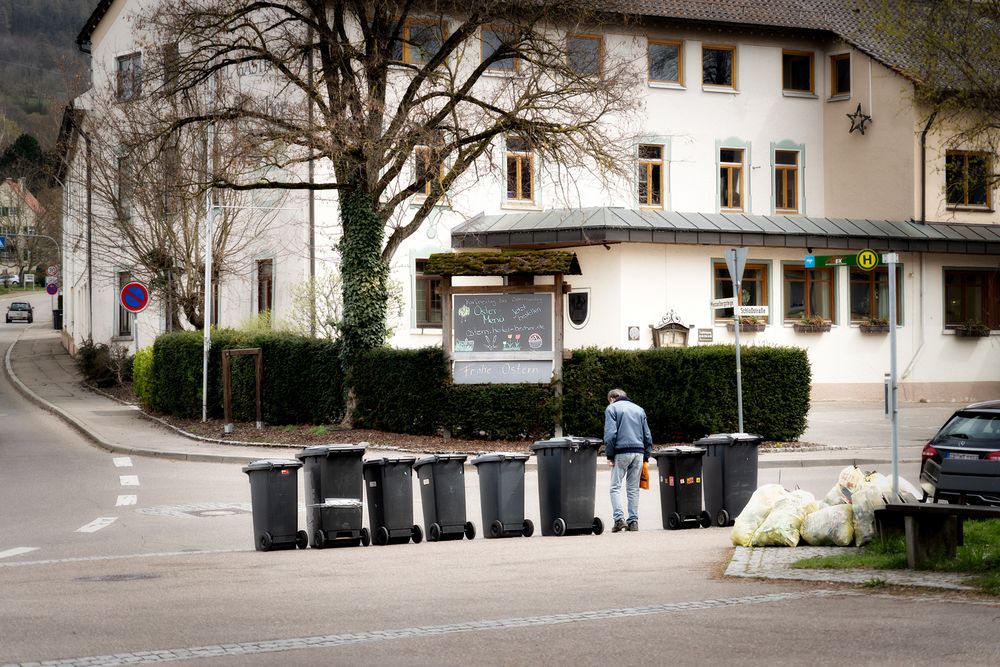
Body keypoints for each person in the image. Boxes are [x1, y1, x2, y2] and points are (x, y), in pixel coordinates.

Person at [603, 388, 653, 532]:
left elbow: (611, 435)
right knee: (632, 488)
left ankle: (619, 520)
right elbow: (647, 436)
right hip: (638, 452)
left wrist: (609, 455)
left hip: (621, 452)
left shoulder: (612, 408)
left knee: (615, 487)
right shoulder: (639, 409)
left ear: (612, 398)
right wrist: (646, 455)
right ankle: (633, 522)